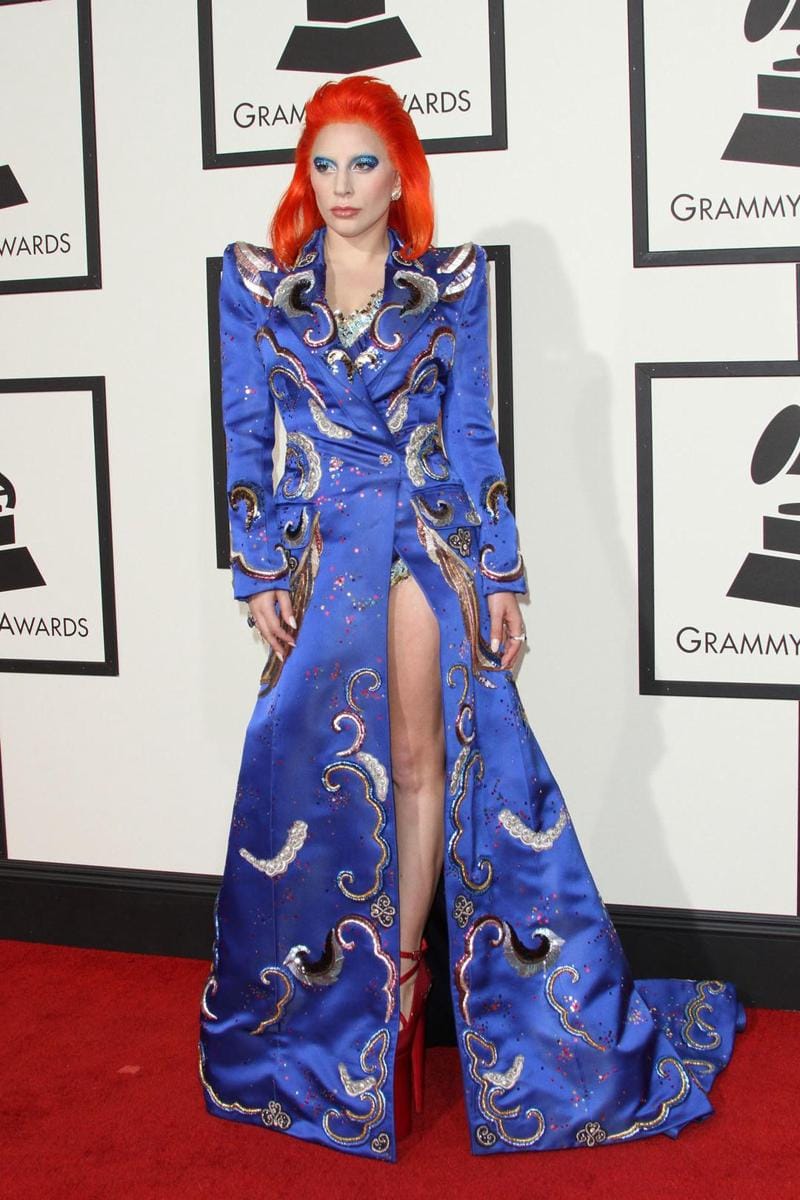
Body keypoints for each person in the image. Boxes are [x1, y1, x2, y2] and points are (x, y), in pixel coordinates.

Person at [198, 74, 746, 1162]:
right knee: (303, 773)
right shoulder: (259, 285)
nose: (343, 185)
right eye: (323, 164)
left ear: (399, 174)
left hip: (420, 536)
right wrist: (256, 567)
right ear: (304, 175)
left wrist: (497, 572)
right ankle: (315, 1007)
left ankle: (398, 971)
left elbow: (472, 431)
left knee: (418, 761)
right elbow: (245, 429)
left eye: (364, 163)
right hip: (321, 550)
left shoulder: (449, 283)